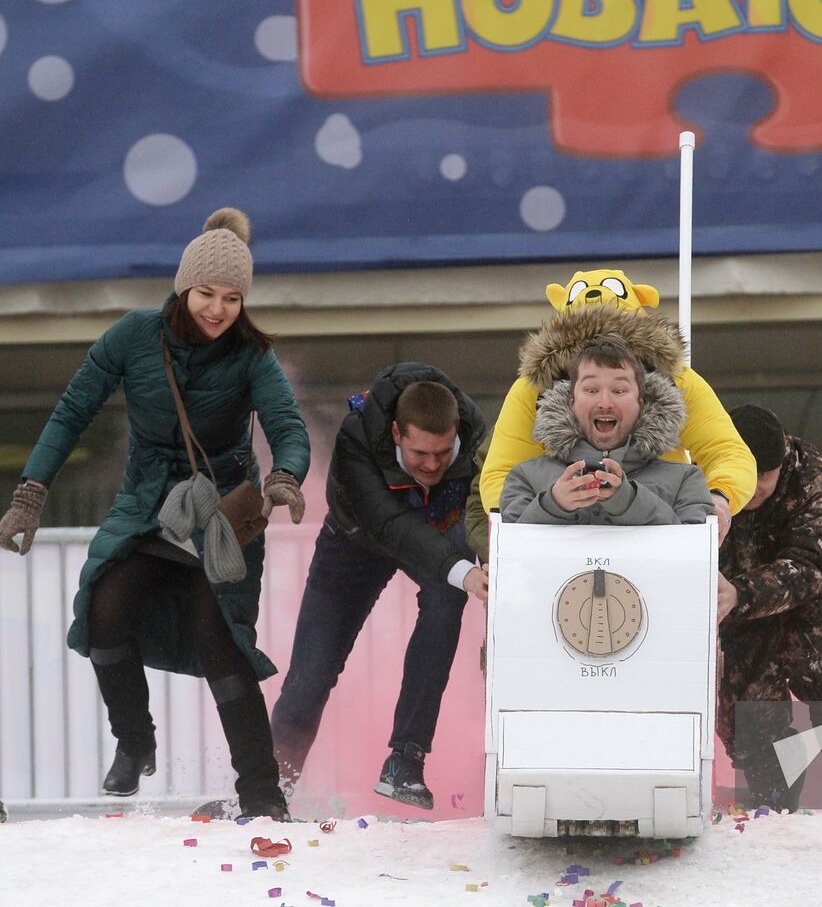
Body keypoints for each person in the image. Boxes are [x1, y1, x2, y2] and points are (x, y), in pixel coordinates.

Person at [0, 209, 310, 819]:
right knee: (104, 608)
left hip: (219, 519)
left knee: (221, 642)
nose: (217, 310)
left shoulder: (251, 357)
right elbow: (71, 412)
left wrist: (283, 475)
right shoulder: (133, 336)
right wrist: (30, 494)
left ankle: (262, 795)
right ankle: (135, 740)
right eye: (205, 294)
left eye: (231, 298)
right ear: (181, 286)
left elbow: (287, 426)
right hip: (146, 508)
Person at [270, 364, 488, 810]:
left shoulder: (478, 434)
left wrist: (476, 559)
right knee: (310, 677)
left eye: (443, 454)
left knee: (448, 596)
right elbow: (390, 525)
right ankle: (268, 790)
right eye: (419, 454)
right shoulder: (357, 436)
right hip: (357, 540)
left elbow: (485, 505)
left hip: (437, 534)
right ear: (394, 433)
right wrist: (460, 567)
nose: (432, 465)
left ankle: (406, 760)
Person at [480, 270, 754, 536]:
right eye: (590, 383)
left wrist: (719, 498)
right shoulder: (534, 387)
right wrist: (509, 519)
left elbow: (726, 451)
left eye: (619, 383)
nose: (604, 399)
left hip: (658, 534)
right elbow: (503, 475)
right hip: (561, 548)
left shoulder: (678, 381)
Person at [717, 404, 822, 811]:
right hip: (738, 587)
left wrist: (739, 594)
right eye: (747, 475)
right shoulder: (709, 478)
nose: (754, 487)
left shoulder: (813, 476)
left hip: (817, 575)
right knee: (747, 690)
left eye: (765, 477)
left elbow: (809, 567)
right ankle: (773, 802)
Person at [501, 338, 714, 525]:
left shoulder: (685, 480)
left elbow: (693, 554)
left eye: (619, 391)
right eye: (591, 390)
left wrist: (629, 500)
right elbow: (509, 553)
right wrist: (552, 504)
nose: (605, 403)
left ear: (641, 402)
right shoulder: (525, 477)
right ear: (571, 401)